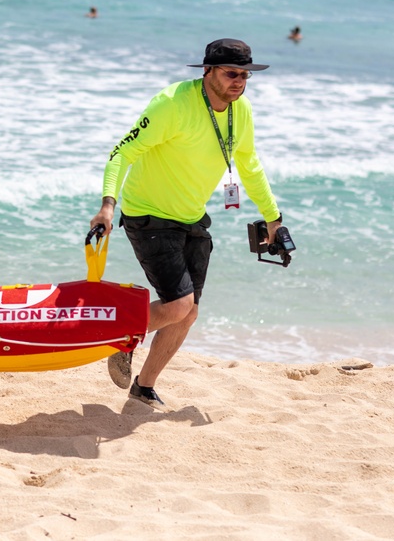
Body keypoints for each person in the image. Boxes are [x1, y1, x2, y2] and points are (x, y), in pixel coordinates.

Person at [89, 38, 282, 410]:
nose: (239, 82)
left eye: (245, 75)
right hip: (149, 215)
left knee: (189, 312)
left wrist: (273, 219)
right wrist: (108, 207)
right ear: (207, 71)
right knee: (178, 305)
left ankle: (143, 387)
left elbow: (251, 166)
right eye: (231, 74)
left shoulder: (241, 113)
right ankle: (118, 336)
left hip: (192, 217)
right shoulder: (172, 104)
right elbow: (121, 153)